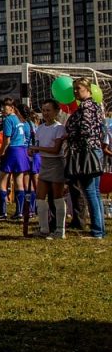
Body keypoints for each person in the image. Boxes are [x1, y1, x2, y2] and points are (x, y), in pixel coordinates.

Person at [62, 78, 106, 239]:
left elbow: (85, 129)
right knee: (95, 192)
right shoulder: (96, 106)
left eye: (78, 88)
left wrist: (69, 135)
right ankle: (100, 229)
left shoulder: (86, 107)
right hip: (94, 150)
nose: (75, 91)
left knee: (90, 192)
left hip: (87, 153)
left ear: (87, 89)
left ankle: (97, 231)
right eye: (74, 88)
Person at [29, 99, 67, 239]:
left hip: (56, 164)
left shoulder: (59, 128)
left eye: (48, 110)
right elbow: (38, 146)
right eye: (43, 110)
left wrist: (37, 148)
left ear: (56, 112)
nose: (45, 113)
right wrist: (33, 151)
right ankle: (44, 228)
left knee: (57, 197)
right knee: (40, 197)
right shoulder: (40, 128)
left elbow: (56, 150)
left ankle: (59, 229)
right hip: (44, 164)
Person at [0, 98, 30, 220]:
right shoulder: (21, 120)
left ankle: (2, 212)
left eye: (5, 107)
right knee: (18, 181)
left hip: (13, 150)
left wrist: (0, 154)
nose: (3, 110)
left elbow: (6, 141)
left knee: (2, 181)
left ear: (12, 107)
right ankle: (20, 211)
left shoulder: (9, 119)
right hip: (22, 150)